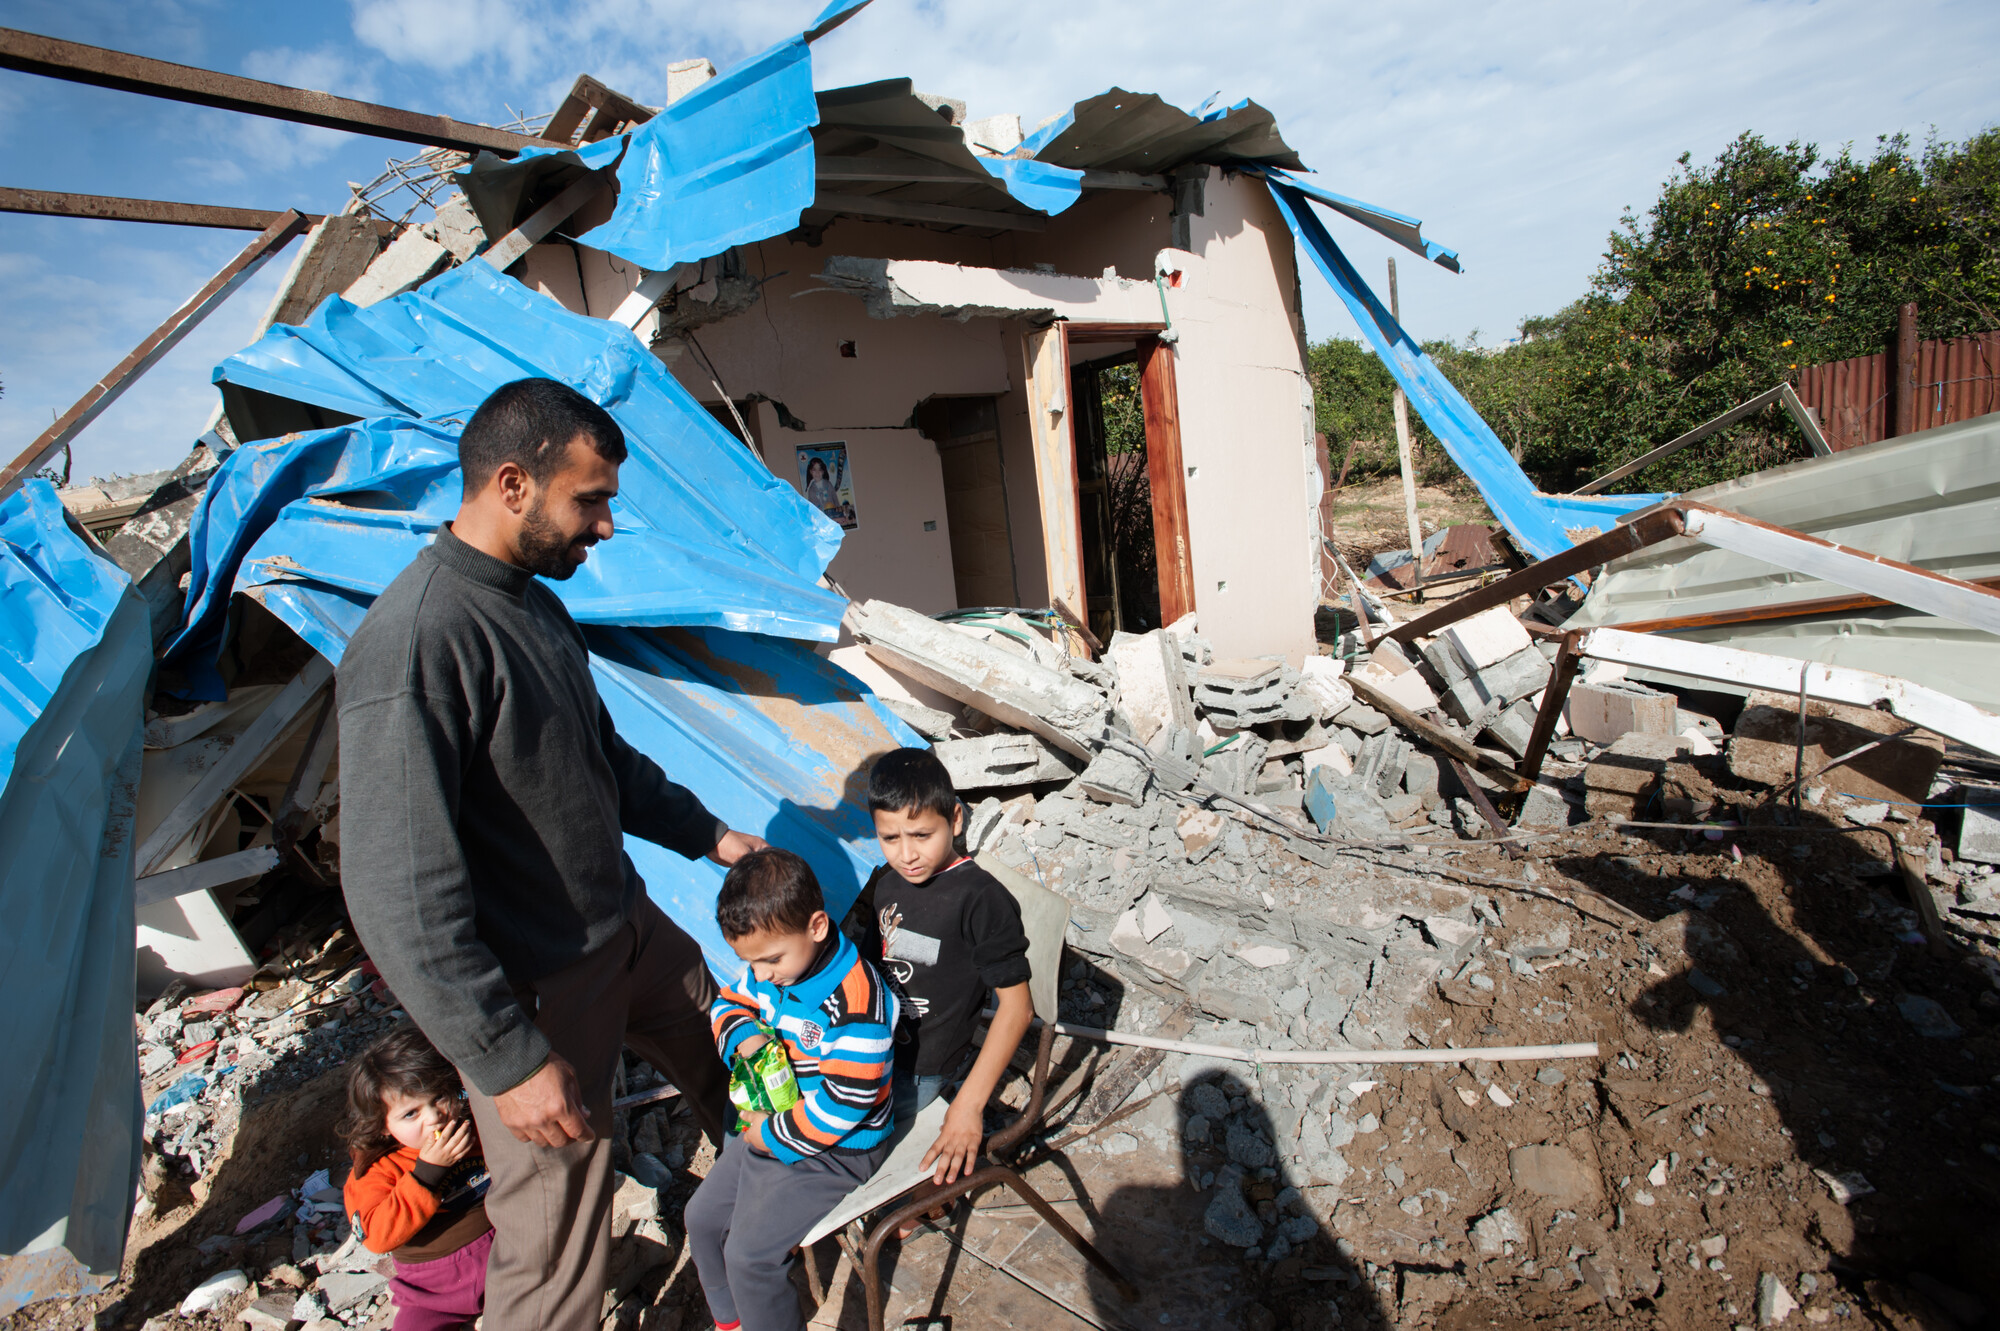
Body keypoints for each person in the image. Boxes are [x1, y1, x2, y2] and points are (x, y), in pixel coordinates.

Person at [338, 377, 767, 1330]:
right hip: (540, 992)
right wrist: (503, 1058)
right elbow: (394, 890)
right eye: (592, 499)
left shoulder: (532, 604)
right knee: (556, 1238)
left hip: (630, 933)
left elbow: (598, 756)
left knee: (745, 1075)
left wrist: (712, 834)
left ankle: (771, 1236)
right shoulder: (418, 643)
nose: (606, 526)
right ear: (512, 484)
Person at [685, 848, 897, 1331]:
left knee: (749, 1258)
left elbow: (847, 1103)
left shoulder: (857, 1002)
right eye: (750, 962)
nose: (760, 975)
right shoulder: (778, 965)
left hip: (839, 1147)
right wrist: (747, 1036)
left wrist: (771, 1137)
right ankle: (731, 1321)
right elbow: (728, 1005)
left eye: (769, 960)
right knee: (701, 1219)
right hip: (779, 1126)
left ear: (817, 926)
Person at [841, 748, 1033, 1187]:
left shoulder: (981, 899)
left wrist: (967, 1106)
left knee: (859, 1160)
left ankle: (917, 1203)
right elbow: (871, 970)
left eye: (922, 835)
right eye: (890, 839)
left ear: (956, 821)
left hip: (922, 1068)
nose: (907, 854)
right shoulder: (888, 884)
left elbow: (1017, 1009)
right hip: (874, 1049)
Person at [340, 1026, 492, 1331]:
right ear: (382, 1126)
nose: (433, 1117)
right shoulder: (376, 1169)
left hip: (505, 1259)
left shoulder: (474, 1126)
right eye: (411, 1113)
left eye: (439, 1097)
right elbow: (377, 1236)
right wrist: (427, 1174)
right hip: (432, 1290)